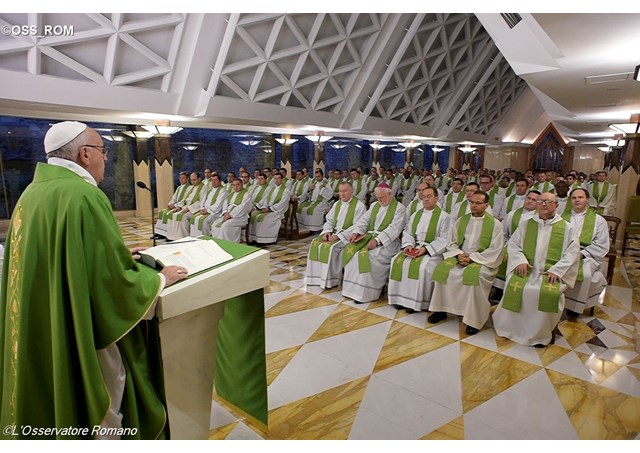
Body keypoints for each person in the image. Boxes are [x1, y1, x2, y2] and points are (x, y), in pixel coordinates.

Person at [0, 121, 188, 439]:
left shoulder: (32, 194)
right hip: (82, 328)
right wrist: (159, 279)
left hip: (45, 318)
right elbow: (113, 288)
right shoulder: (84, 196)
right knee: (107, 399)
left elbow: (62, 259)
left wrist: (115, 255)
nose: (105, 158)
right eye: (103, 151)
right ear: (85, 154)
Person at [492, 192, 580, 347]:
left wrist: (557, 270)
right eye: (540, 202)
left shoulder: (567, 228)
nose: (543, 204)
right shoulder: (526, 224)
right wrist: (519, 261)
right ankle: (509, 329)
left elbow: (572, 253)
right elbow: (514, 245)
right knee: (516, 287)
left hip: (550, 273)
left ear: (556, 205)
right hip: (527, 270)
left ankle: (539, 334)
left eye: (548, 201)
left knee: (544, 293)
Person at [428, 190, 504, 335]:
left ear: (487, 205)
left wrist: (473, 258)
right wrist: (458, 254)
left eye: (478, 203)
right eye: (471, 202)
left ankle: (473, 320)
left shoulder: (495, 225)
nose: (473, 206)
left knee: (475, 278)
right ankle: (441, 310)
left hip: (482, 261)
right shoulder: (461, 221)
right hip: (460, 257)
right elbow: (452, 243)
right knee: (443, 272)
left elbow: (496, 249)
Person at [388, 187, 451, 313]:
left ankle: (416, 303)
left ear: (436, 198)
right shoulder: (416, 214)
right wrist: (408, 245)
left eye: (429, 196)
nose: (426, 199)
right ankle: (401, 300)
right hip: (414, 247)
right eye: (424, 196)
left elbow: (445, 239)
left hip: (432, 252)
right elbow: (408, 232)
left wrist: (426, 249)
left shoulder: (445, 217)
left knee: (422, 267)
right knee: (397, 261)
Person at [342, 183, 406, 303]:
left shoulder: (399, 208)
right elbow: (364, 221)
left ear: (390, 194)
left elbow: (394, 229)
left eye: (382, 197)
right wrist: (356, 232)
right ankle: (352, 291)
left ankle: (366, 294)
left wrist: (377, 240)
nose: (379, 200)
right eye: (377, 197)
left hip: (388, 244)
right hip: (369, 238)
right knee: (352, 253)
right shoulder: (374, 205)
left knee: (368, 257)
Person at [305, 182, 366, 289]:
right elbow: (329, 220)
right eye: (340, 191)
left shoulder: (359, 206)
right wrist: (327, 232)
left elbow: (358, 225)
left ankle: (330, 280)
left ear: (352, 191)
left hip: (348, 236)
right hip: (334, 232)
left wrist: (338, 236)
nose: (342, 194)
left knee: (331, 248)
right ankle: (316, 278)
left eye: (345, 191)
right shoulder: (337, 204)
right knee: (314, 243)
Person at [562, 188, 609, 317]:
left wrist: (582, 254)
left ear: (587, 200)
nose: (577, 200)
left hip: (587, 255)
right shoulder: (561, 218)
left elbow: (601, 244)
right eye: (574, 198)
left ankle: (574, 307)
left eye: (580, 197)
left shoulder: (599, 220)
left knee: (585, 275)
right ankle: (557, 301)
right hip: (563, 253)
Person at [248, 172, 291, 244]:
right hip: (268, 209)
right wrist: (264, 207)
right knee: (254, 215)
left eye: (278, 178)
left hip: (277, 211)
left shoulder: (286, 190)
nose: (276, 180)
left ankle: (267, 240)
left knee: (265, 219)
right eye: (275, 178)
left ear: (282, 180)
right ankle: (255, 238)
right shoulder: (272, 189)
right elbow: (265, 199)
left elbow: (282, 203)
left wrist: (270, 209)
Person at [166, 172, 205, 241]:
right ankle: (172, 237)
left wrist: (189, 208)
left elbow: (201, 201)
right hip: (186, 206)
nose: (192, 182)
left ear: (199, 179)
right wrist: (178, 206)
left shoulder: (204, 188)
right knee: (172, 214)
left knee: (183, 217)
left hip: (195, 209)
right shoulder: (190, 188)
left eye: (194, 180)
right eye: (191, 180)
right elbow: (184, 199)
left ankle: (183, 237)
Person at [155, 171, 189, 238]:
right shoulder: (179, 187)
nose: (181, 180)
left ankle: (168, 234)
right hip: (175, 205)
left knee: (170, 214)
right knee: (162, 212)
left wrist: (175, 206)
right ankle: (160, 233)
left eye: (183, 178)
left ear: (187, 179)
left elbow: (185, 199)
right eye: (180, 178)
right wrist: (170, 204)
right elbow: (174, 197)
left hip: (181, 207)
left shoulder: (189, 188)